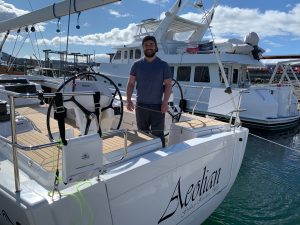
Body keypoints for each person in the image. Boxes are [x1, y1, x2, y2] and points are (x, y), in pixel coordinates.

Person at [126, 35, 172, 147]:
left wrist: (165, 102)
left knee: (158, 135)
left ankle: (160, 156)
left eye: (151, 44)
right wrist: (128, 100)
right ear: (143, 48)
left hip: (158, 106)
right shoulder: (136, 65)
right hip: (141, 106)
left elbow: (168, 85)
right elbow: (131, 83)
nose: (149, 47)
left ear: (156, 47)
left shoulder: (163, 65)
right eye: (146, 45)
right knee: (143, 134)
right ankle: (145, 157)